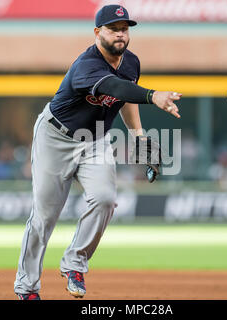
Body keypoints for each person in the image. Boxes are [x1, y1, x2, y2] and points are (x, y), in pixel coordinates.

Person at [14, 5, 182, 300]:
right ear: (97, 33)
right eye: (113, 28)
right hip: (56, 137)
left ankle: (75, 263)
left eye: (125, 28)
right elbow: (115, 86)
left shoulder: (131, 62)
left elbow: (125, 96)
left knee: (105, 199)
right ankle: (27, 288)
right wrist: (154, 96)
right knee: (44, 216)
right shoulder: (86, 66)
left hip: (96, 140)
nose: (121, 34)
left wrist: (139, 137)